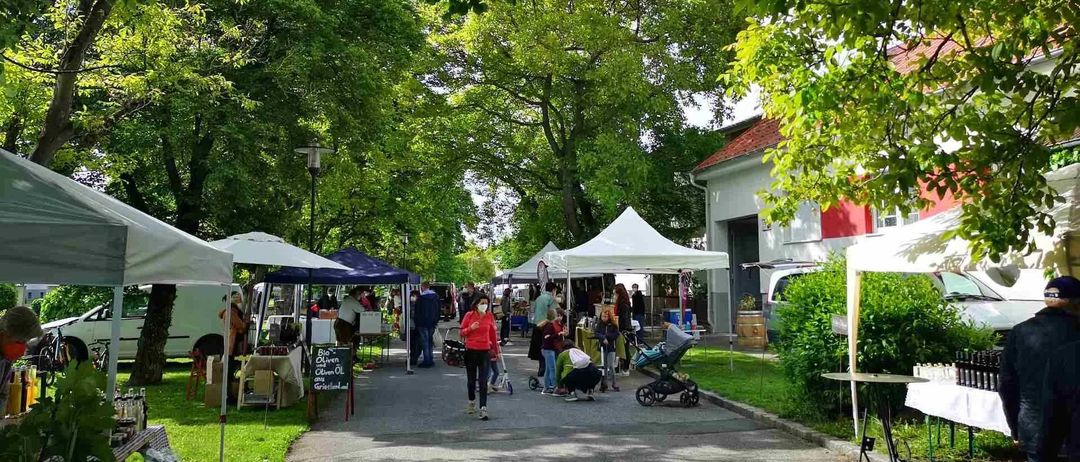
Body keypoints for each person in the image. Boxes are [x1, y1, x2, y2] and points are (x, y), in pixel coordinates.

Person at [1000, 276, 1080, 461]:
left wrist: (1015, 428)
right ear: (1076, 302)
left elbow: (1007, 385)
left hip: (1033, 428)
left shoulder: (1019, 332)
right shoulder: (1076, 330)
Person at [461, 294, 499, 420]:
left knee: (483, 381)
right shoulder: (469, 315)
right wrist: (470, 328)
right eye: (482, 303)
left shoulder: (489, 316)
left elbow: (493, 334)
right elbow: (461, 332)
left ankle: (483, 408)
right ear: (476, 304)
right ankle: (471, 401)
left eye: (486, 303)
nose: (484, 305)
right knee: (471, 381)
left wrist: (496, 351)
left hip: (485, 351)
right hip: (471, 350)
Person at [0, 306, 43, 412]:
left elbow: (2, 394)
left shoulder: (5, 359)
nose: (23, 348)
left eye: (26, 342)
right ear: (4, 334)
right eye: (20, 341)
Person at [529, 282, 558, 378]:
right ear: (553, 289)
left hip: (537, 325)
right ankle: (546, 369)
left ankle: (541, 368)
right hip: (546, 326)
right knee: (547, 347)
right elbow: (554, 313)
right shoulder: (552, 299)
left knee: (539, 347)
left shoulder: (539, 298)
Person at [541, 309, 566, 395]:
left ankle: (546, 387)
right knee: (553, 369)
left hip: (548, 349)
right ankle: (556, 387)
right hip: (548, 349)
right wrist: (558, 334)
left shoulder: (549, 325)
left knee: (548, 369)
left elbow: (547, 337)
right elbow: (547, 338)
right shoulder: (549, 325)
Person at [594, 308, 620, 392]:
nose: (604, 318)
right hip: (602, 347)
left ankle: (614, 383)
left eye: (605, 316)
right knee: (604, 366)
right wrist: (603, 338)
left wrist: (607, 337)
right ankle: (604, 383)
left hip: (611, 347)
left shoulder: (613, 325)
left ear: (609, 317)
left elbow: (616, 334)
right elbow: (597, 333)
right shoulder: (600, 324)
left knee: (611, 365)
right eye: (602, 316)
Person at [416, 282, 441, 368]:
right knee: (430, 341)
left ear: (422, 287)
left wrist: (417, 322)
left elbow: (417, 311)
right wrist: (436, 320)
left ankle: (427, 360)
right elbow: (438, 310)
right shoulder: (436, 297)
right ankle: (430, 358)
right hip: (432, 322)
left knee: (424, 342)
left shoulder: (421, 298)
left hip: (423, 323)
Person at [218, 291, 247, 356]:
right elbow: (240, 325)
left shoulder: (228, 311)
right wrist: (245, 323)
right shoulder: (231, 312)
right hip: (234, 337)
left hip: (231, 335)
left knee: (230, 354)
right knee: (232, 356)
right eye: (235, 297)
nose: (238, 300)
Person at [613, 284, 633, 374]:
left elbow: (624, 319)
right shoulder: (624, 303)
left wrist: (621, 329)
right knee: (623, 348)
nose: (614, 295)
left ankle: (626, 367)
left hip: (624, 329)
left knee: (625, 348)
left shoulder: (623, 304)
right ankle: (622, 366)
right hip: (623, 328)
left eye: (615, 293)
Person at [408, 289, 422, 367]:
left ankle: (414, 358)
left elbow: (412, 315)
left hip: (415, 326)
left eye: (413, 296)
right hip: (415, 326)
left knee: (415, 344)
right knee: (415, 344)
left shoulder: (415, 304)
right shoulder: (413, 304)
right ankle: (414, 357)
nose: (412, 297)